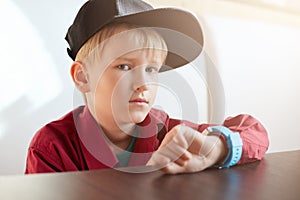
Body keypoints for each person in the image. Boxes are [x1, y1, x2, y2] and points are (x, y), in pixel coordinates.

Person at [25, 0, 269, 174]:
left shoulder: (166, 132)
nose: (143, 84)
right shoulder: (51, 148)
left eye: (152, 69)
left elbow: (254, 131)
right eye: (124, 67)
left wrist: (215, 148)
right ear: (82, 77)